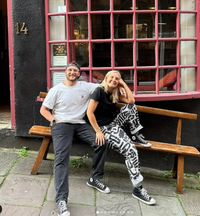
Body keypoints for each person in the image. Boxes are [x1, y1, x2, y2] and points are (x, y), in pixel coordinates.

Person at [40, 61, 111, 216]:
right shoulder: (56, 90)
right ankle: (61, 200)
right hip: (62, 125)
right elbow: (44, 109)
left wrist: (117, 81)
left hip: (80, 124)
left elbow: (107, 83)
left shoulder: (86, 86)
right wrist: (53, 121)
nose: (72, 72)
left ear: (79, 74)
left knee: (101, 142)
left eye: (75, 70)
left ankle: (94, 178)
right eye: (69, 70)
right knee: (61, 159)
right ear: (65, 73)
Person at [86, 70, 156, 205]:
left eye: (117, 78)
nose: (114, 80)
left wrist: (123, 83)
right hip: (103, 129)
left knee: (130, 107)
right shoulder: (99, 91)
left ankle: (135, 134)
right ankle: (138, 188)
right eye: (111, 77)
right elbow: (90, 113)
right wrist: (98, 131)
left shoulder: (114, 93)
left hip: (112, 124)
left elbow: (131, 100)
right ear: (106, 78)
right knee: (131, 151)